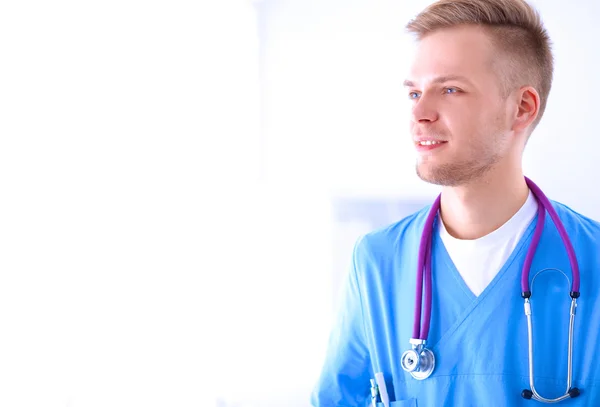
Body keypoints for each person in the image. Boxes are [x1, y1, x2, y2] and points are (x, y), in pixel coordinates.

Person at [310, 0, 600, 405]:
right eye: (414, 92)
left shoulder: (593, 260)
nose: (420, 113)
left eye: (450, 89)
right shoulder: (378, 262)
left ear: (522, 107)